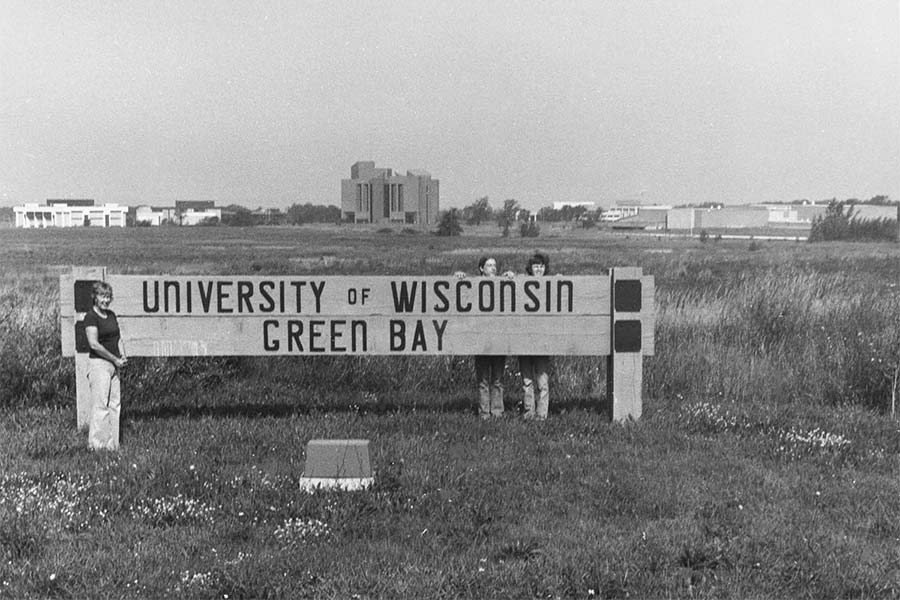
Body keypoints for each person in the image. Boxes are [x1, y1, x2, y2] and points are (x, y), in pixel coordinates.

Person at [455, 256, 513, 419]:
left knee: (498, 379)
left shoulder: (502, 283)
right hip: (480, 340)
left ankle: (497, 411)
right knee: (483, 380)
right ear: (481, 268)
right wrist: (458, 276)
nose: (493, 268)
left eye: (495, 265)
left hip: (499, 338)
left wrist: (510, 275)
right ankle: (484, 413)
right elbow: (459, 293)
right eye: (489, 265)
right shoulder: (473, 284)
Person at [83, 281, 127, 450]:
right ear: (95, 297)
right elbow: (93, 344)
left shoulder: (111, 315)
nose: (105, 300)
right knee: (100, 405)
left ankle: (112, 446)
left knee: (115, 405)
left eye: (108, 297)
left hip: (114, 366)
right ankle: (96, 445)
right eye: (102, 296)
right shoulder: (90, 317)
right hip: (99, 364)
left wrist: (122, 355)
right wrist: (114, 359)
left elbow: (118, 338)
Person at [519, 253, 551, 420]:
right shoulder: (521, 282)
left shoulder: (551, 284)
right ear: (530, 269)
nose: (539, 269)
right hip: (524, 338)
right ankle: (528, 412)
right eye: (536, 266)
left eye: (542, 266)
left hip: (543, 339)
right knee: (527, 380)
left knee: (542, 380)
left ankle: (542, 414)